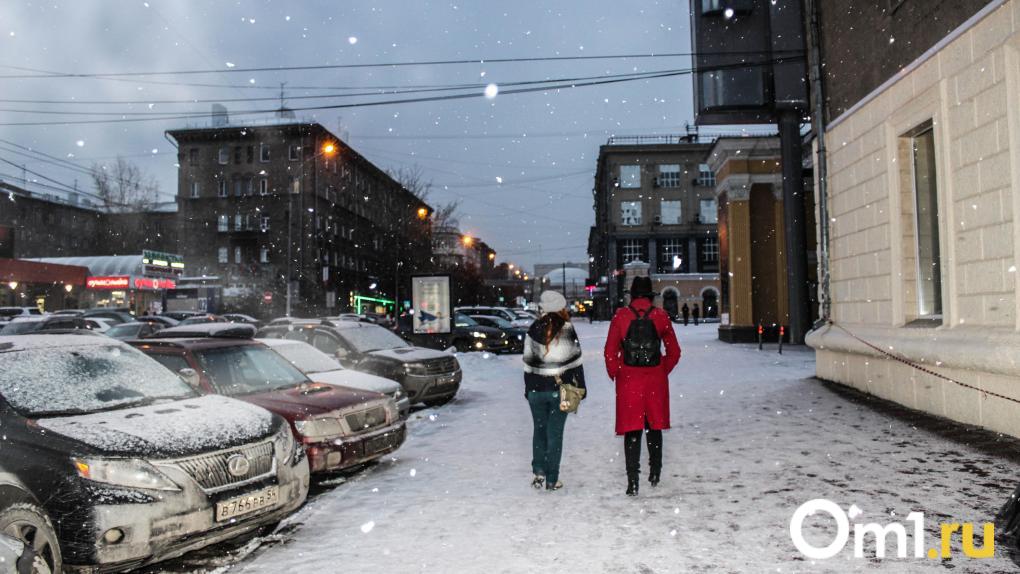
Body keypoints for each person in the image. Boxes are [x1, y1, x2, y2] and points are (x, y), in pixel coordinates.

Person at [604, 276, 681, 496]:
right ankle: (655, 472)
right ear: (649, 296)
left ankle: (632, 480)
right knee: (654, 426)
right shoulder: (660, 316)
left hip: (629, 380)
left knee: (632, 429)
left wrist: (617, 372)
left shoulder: (621, 316)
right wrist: (661, 368)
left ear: (632, 295)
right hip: (655, 379)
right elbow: (674, 352)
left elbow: (610, 352)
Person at [522, 290, 586, 492]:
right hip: (559, 389)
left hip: (535, 389)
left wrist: (528, 389)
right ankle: (552, 479)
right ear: (560, 307)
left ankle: (539, 471)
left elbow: (527, 363)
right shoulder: (567, 329)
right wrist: (582, 387)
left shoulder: (533, 329)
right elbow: (576, 362)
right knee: (555, 434)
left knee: (539, 431)